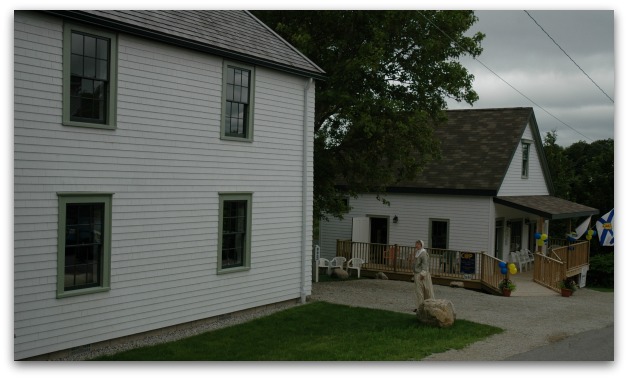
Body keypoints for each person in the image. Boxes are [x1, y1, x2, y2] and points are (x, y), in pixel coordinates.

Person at [413, 240, 434, 312]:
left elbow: (425, 264)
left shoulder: (423, 253)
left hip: (422, 274)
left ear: (421, 245)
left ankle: (429, 306)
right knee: (418, 291)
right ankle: (419, 306)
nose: (416, 245)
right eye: (416, 243)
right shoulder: (418, 253)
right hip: (417, 273)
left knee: (427, 290)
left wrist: (423, 273)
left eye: (418, 244)